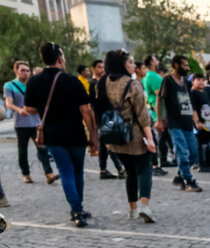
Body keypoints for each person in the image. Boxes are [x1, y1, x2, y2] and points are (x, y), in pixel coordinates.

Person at [24, 42, 99, 226]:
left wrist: (43, 107)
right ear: (59, 59)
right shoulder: (72, 80)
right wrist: (93, 136)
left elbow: (29, 108)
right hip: (75, 134)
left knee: (65, 172)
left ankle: (75, 210)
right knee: (77, 172)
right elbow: (86, 110)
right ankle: (78, 208)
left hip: (53, 135)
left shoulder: (35, 81)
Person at [98, 49, 157, 222]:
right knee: (144, 169)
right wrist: (150, 138)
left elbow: (99, 110)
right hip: (135, 135)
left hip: (114, 135)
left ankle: (132, 209)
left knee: (130, 172)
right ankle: (145, 206)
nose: (134, 65)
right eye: (130, 62)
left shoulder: (103, 83)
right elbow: (142, 114)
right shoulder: (133, 84)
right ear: (122, 64)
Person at [4, 60, 58, 185]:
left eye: (28, 71)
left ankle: (48, 174)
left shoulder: (33, 84)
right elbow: (8, 103)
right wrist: (19, 110)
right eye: (22, 70)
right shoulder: (9, 85)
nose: (25, 73)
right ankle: (26, 174)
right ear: (16, 71)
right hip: (21, 123)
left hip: (36, 123)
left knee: (42, 148)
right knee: (23, 151)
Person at [156, 54, 203, 193]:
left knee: (194, 153)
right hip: (174, 122)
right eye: (184, 65)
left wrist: (196, 120)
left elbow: (191, 103)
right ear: (176, 65)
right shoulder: (168, 80)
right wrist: (159, 120)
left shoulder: (187, 83)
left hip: (187, 122)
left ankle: (178, 175)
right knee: (182, 151)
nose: (187, 68)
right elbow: (160, 100)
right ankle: (188, 181)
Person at [89, 58, 126, 180]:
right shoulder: (94, 84)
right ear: (93, 69)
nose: (102, 70)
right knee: (110, 144)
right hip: (102, 118)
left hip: (107, 116)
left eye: (103, 67)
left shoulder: (104, 82)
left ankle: (103, 170)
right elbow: (95, 104)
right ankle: (120, 169)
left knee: (104, 145)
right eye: (99, 67)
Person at [188, 73, 210, 173]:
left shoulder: (204, 92)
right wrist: (197, 122)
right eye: (198, 79)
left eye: (202, 79)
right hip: (201, 122)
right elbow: (193, 109)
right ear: (193, 81)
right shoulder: (193, 93)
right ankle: (202, 164)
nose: (201, 82)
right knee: (202, 144)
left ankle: (209, 163)